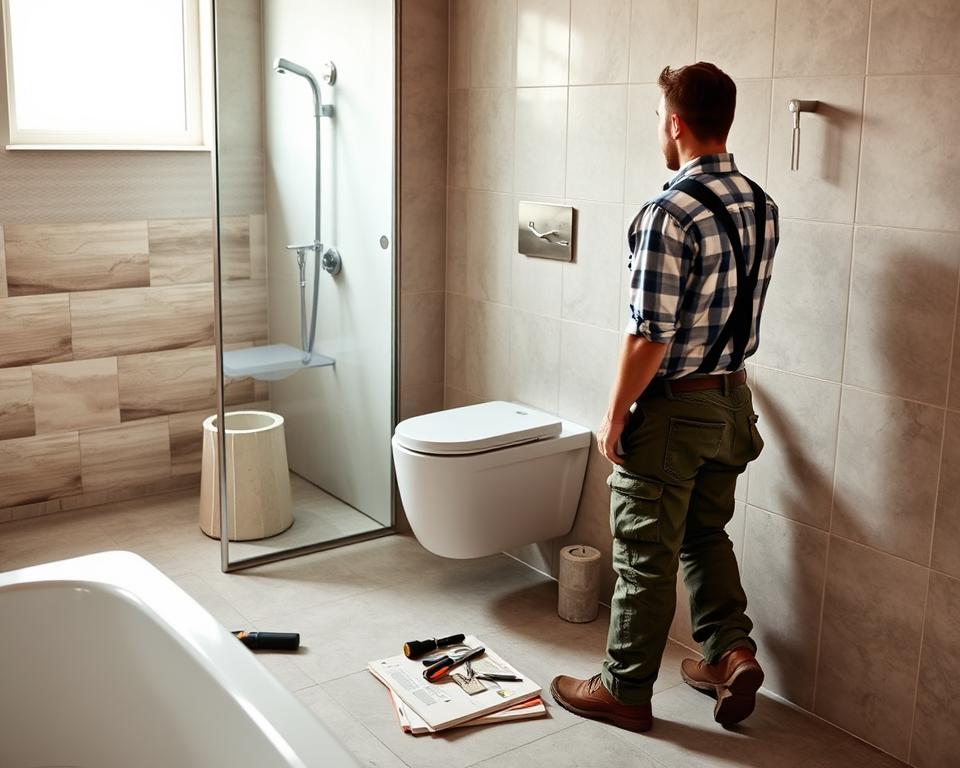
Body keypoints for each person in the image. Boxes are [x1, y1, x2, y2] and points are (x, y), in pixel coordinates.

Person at [551, 61, 779, 733]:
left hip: (674, 408)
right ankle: (729, 654)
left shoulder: (668, 210)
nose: (658, 128)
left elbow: (650, 335)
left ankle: (624, 689)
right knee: (705, 532)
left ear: (675, 124)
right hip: (733, 402)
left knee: (645, 554)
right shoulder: (759, 203)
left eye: (658, 117)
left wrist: (615, 412)